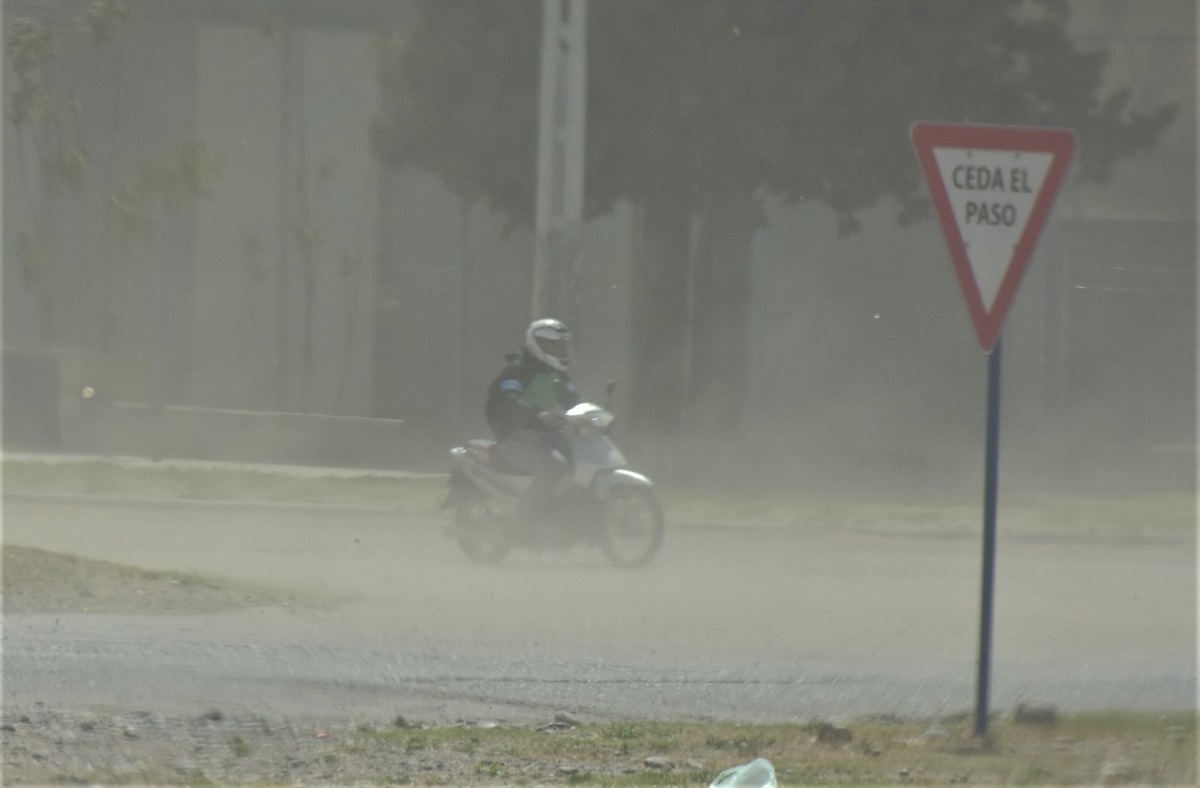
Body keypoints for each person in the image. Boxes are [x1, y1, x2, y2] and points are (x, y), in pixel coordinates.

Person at [485, 318, 581, 524]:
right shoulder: (518, 370)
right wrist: (537, 414)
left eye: (562, 345)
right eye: (554, 345)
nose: (560, 350)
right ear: (538, 344)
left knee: (578, 461)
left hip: (546, 436)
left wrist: (591, 418)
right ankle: (523, 522)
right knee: (553, 468)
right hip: (515, 438)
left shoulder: (558, 374)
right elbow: (509, 399)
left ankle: (564, 516)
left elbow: (573, 402)